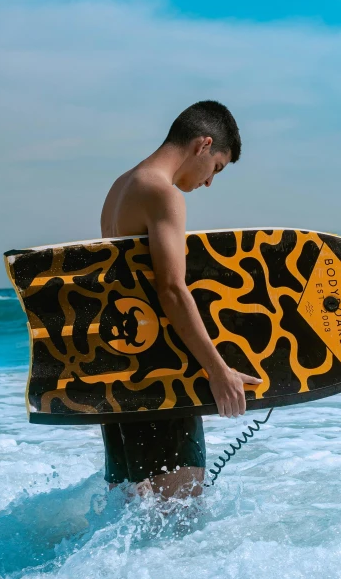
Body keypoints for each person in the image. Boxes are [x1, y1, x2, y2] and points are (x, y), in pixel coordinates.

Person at [100, 100, 262, 500]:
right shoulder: (163, 194)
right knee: (178, 522)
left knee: (129, 519)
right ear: (203, 145)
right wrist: (218, 369)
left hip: (122, 380)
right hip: (162, 380)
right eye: (217, 168)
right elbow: (171, 290)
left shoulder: (121, 187)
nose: (209, 182)